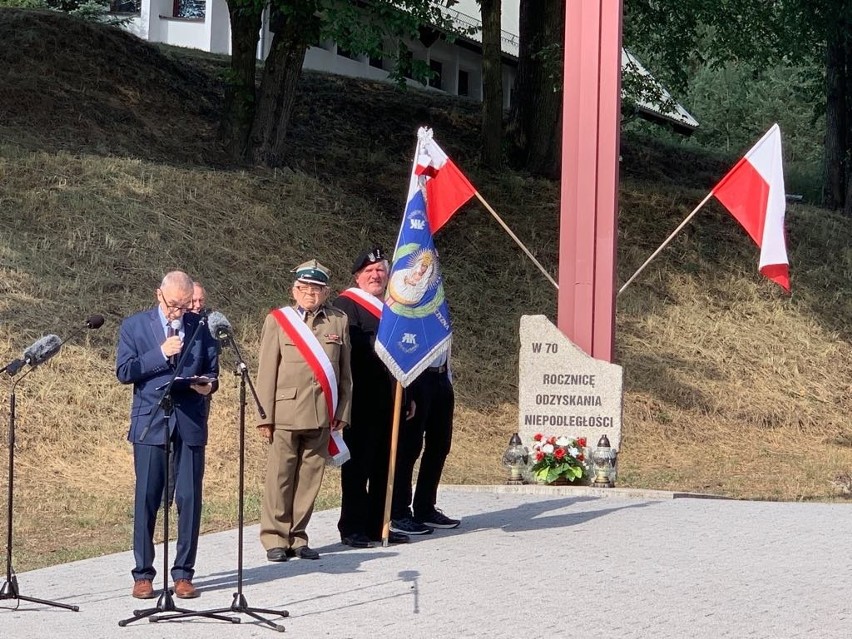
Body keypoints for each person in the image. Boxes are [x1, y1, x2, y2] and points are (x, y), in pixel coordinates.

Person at [116, 270, 219, 600]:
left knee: (189, 499)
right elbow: (125, 371)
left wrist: (208, 385)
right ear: (158, 295)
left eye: (185, 305)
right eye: (173, 304)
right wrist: (160, 353)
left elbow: (213, 370)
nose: (178, 311)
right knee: (147, 499)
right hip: (151, 421)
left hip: (189, 421)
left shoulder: (200, 327)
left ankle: (184, 574)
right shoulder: (134, 326)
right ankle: (143, 573)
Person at [256, 259, 352, 561]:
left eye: (316, 289)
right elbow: (267, 370)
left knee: (310, 477)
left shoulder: (338, 321)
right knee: (280, 477)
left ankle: (298, 537)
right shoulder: (278, 320)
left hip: (323, 412)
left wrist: (343, 411)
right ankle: (274, 538)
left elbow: (345, 371)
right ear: (293, 290)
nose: (310, 294)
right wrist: (265, 417)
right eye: (304, 288)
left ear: (325, 292)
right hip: (285, 412)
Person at [334, 247, 412, 548]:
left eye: (380, 270)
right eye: (369, 271)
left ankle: (380, 525)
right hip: (362, 400)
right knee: (358, 467)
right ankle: (352, 527)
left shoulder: (395, 308)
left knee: (385, 466)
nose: (375, 276)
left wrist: (408, 396)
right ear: (358, 276)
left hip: (391, 399)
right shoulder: (346, 305)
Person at [391, 346, 461, 534]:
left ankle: (425, 507)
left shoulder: (440, 315)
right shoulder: (413, 315)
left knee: (440, 445)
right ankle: (399, 512)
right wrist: (408, 391)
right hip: (417, 379)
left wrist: (447, 379)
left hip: (441, 376)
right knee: (409, 448)